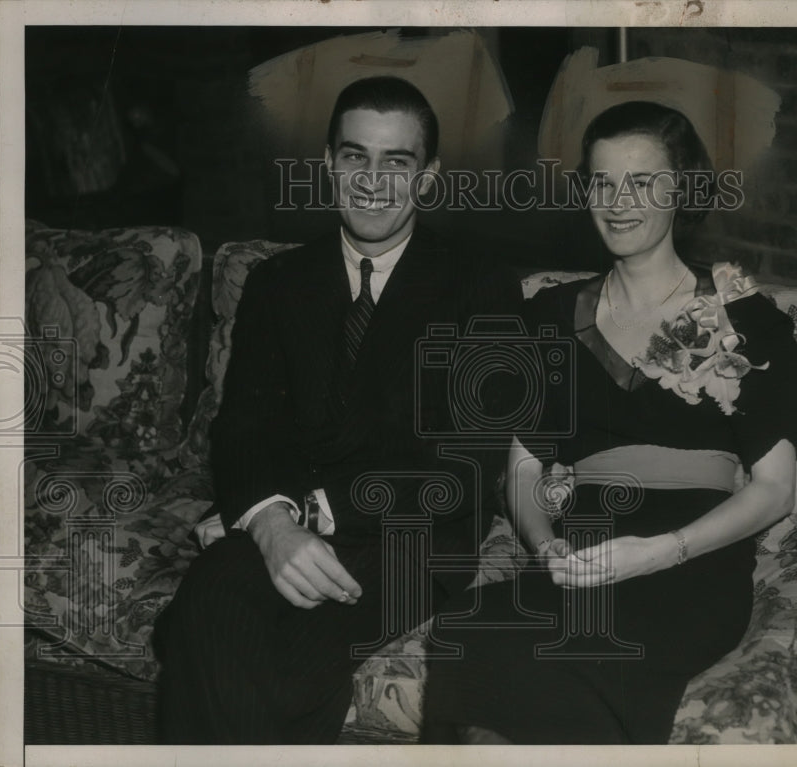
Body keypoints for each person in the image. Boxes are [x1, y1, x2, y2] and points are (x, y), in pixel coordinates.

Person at [421, 100, 797, 745]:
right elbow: (520, 466)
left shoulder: (745, 317)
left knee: (583, 651)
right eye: (601, 182)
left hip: (689, 563)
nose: (618, 201)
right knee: (471, 629)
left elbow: (774, 490)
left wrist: (658, 552)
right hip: (585, 555)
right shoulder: (547, 315)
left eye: (642, 182)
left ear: (681, 190)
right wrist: (546, 547)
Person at [156, 76, 522, 744]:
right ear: (328, 163)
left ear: (429, 177)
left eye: (397, 162)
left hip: (413, 537)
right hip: (286, 519)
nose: (373, 181)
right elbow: (242, 425)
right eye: (355, 157)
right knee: (205, 602)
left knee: (287, 673)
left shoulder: (480, 284)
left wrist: (316, 510)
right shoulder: (277, 283)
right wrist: (270, 525)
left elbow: (469, 464)